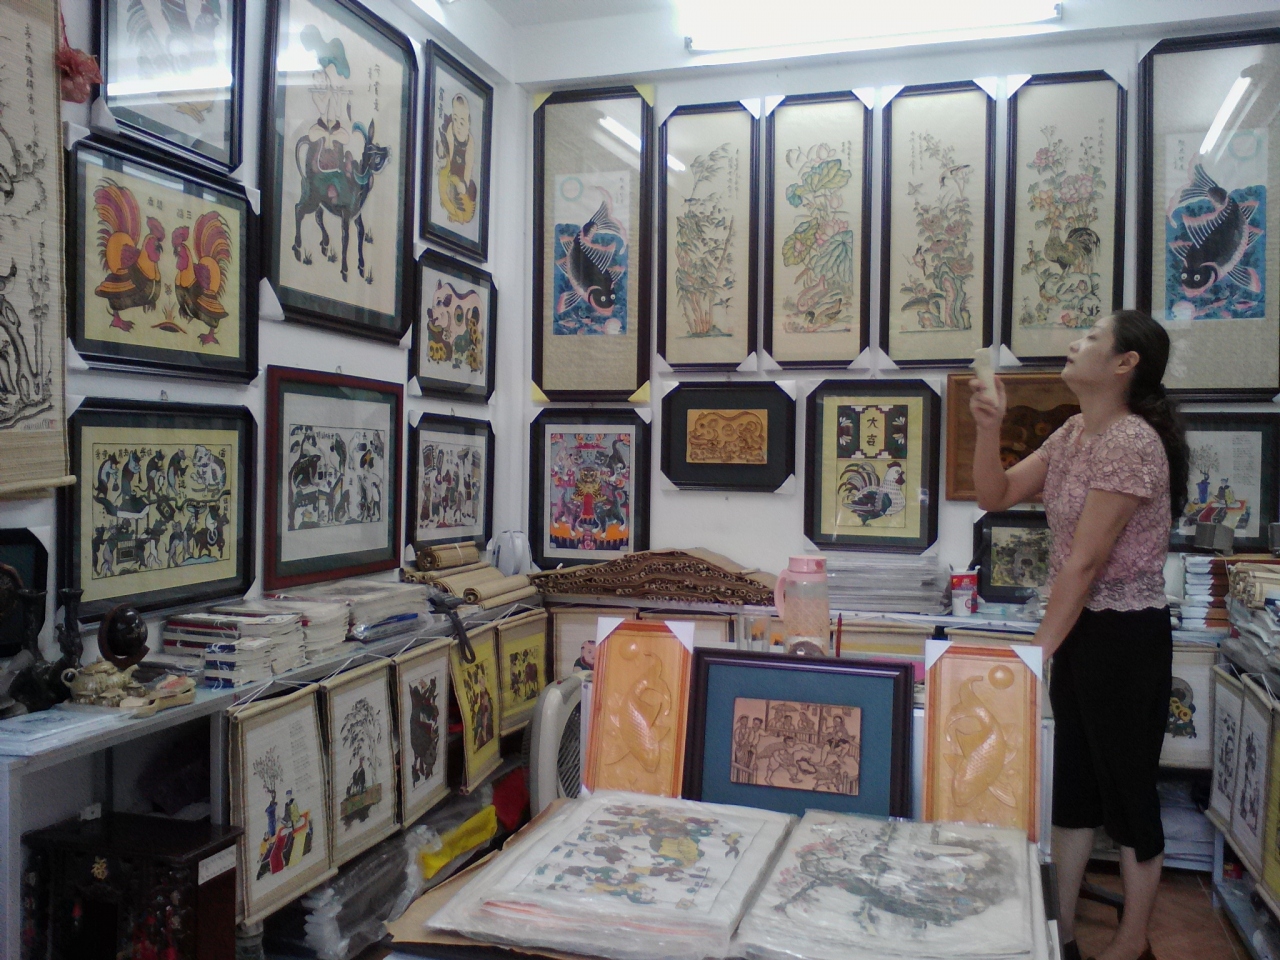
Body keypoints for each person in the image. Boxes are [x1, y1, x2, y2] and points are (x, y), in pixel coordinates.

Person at [969, 311, 1188, 960]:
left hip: (1126, 636)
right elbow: (995, 495)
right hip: (1083, 629)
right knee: (1073, 789)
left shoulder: (1131, 442)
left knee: (1128, 792)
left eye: (1092, 336)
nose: (1074, 343)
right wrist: (989, 428)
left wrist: (1033, 654)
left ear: (1125, 363)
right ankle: (1060, 931)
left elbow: (1086, 564)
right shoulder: (1072, 433)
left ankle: (1131, 943)